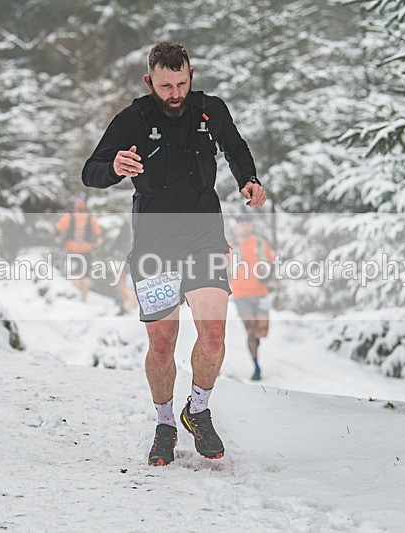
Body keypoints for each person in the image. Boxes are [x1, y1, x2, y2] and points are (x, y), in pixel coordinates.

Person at [82, 41, 266, 466]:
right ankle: (165, 422)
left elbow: (236, 150)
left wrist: (249, 179)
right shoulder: (132, 119)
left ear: (191, 75)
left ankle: (197, 411)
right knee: (163, 345)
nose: (175, 93)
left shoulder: (210, 111)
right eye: (165, 85)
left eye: (181, 82)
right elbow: (90, 171)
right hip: (154, 246)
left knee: (214, 335)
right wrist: (114, 168)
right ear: (150, 82)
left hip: (204, 235)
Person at [229, 214, 275, 381]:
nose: (245, 227)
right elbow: (221, 268)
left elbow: (272, 264)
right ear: (236, 228)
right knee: (250, 330)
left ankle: (256, 339)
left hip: (261, 294)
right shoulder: (230, 246)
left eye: (247, 224)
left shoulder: (260, 244)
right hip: (241, 295)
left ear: (251, 226)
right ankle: (256, 365)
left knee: (262, 330)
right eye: (241, 224)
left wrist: (268, 276)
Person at [56, 194, 102, 302]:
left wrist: (98, 240)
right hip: (71, 250)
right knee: (73, 275)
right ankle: (73, 299)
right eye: (77, 201)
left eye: (81, 201)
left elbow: (98, 233)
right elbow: (58, 229)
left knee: (85, 276)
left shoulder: (91, 218)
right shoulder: (69, 216)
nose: (79, 204)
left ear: (85, 203)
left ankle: (83, 300)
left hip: (86, 251)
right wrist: (58, 237)